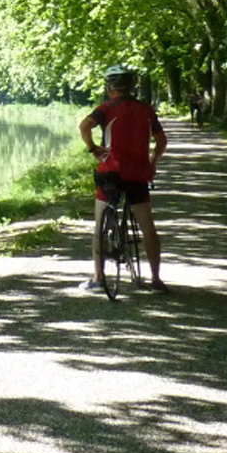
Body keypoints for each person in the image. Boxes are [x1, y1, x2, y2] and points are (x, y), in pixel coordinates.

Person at [79, 64, 168, 292]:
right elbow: (161, 140)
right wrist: (152, 162)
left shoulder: (106, 108)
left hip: (110, 172)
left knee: (99, 225)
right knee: (148, 226)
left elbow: (84, 126)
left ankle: (98, 278)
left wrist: (93, 149)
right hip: (138, 174)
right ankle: (156, 280)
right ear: (133, 87)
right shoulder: (146, 110)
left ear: (110, 88)